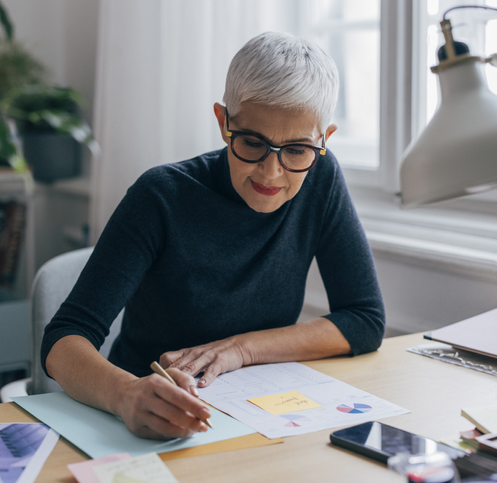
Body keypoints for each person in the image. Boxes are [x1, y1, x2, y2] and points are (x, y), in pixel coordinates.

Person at [41, 31, 385, 440]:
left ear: (323, 140)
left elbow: (364, 319)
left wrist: (242, 349)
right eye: (253, 143)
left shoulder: (321, 178)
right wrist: (124, 394)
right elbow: (62, 339)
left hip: (256, 415)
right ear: (224, 123)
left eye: (296, 150)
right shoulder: (161, 195)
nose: (271, 172)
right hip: (145, 416)